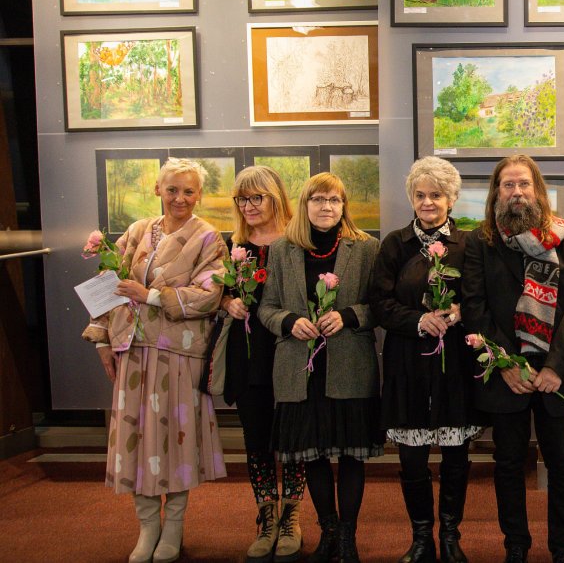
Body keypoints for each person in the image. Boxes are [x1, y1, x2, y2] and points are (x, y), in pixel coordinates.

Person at [81, 157, 228, 563]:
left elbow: (210, 297)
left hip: (179, 352)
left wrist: (151, 296)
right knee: (137, 439)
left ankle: (174, 527)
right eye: (172, 189)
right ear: (158, 190)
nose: (180, 197)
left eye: (189, 190)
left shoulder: (209, 238)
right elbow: (108, 283)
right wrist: (100, 339)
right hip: (132, 351)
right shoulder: (136, 231)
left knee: (174, 440)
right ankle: (148, 526)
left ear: (198, 194)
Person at [462, 154, 564, 563]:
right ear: (496, 192)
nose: (516, 192)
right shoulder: (480, 242)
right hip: (507, 374)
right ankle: (515, 545)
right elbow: (475, 308)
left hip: (557, 373)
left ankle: (563, 548)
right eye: (507, 185)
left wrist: (555, 366)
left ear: (537, 189)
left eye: (523, 184)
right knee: (508, 463)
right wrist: (507, 364)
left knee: (563, 465)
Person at [259, 172, 382, 563]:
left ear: (344, 206)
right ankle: (327, 530)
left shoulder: (367, 249)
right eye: (318, 200)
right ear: (304, 204)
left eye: (334, 200)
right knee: (311, 456)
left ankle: (348, 537)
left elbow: (382, 305)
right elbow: (266, 307)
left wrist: (349, 314)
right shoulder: (282, 250)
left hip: (349, 367)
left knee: (349, 456)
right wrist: (287, 321)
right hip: (300, 369)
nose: (326, 207)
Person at [371, 157, 485, 563]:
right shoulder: (394, 244)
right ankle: (422, 538)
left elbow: (480, 299)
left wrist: (458, 314)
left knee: (456, 455)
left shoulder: (470, 244)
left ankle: (451, 535)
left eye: (436, 195)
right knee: (412, 456)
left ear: (451, 198)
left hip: (454, 363)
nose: (428, 202)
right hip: (407, 363)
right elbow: (379, 305)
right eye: (420, 195)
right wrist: (419, 319)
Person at [211, 165, 306, 563]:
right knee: (256, 439)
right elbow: (210, 292)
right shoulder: (227, 245)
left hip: (289, 350)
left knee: (295, 438)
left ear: (275, 198)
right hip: (246, 352)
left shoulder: (296, 242)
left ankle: (291, 516)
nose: (248, 206)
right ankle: (266, 516)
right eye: (241, 199)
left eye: (256, 198)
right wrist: (224, 302)